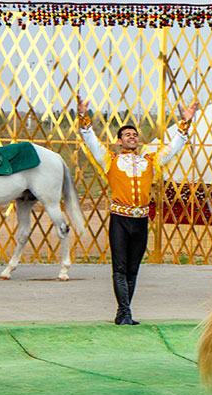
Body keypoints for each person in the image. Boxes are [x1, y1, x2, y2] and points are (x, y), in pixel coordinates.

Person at [75, 94, 198, 325]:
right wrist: (83, 115)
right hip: (120, 219)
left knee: (133, 269)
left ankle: (124, 312)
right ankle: (125, 312)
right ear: (119, 141)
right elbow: (89, 139)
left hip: (141, 221)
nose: (132, 137)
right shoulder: (109, 160)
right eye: (127, 135)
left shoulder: (150, 161)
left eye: (134, 135)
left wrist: (186, 122)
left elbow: (174, 147)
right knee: (119, 267)